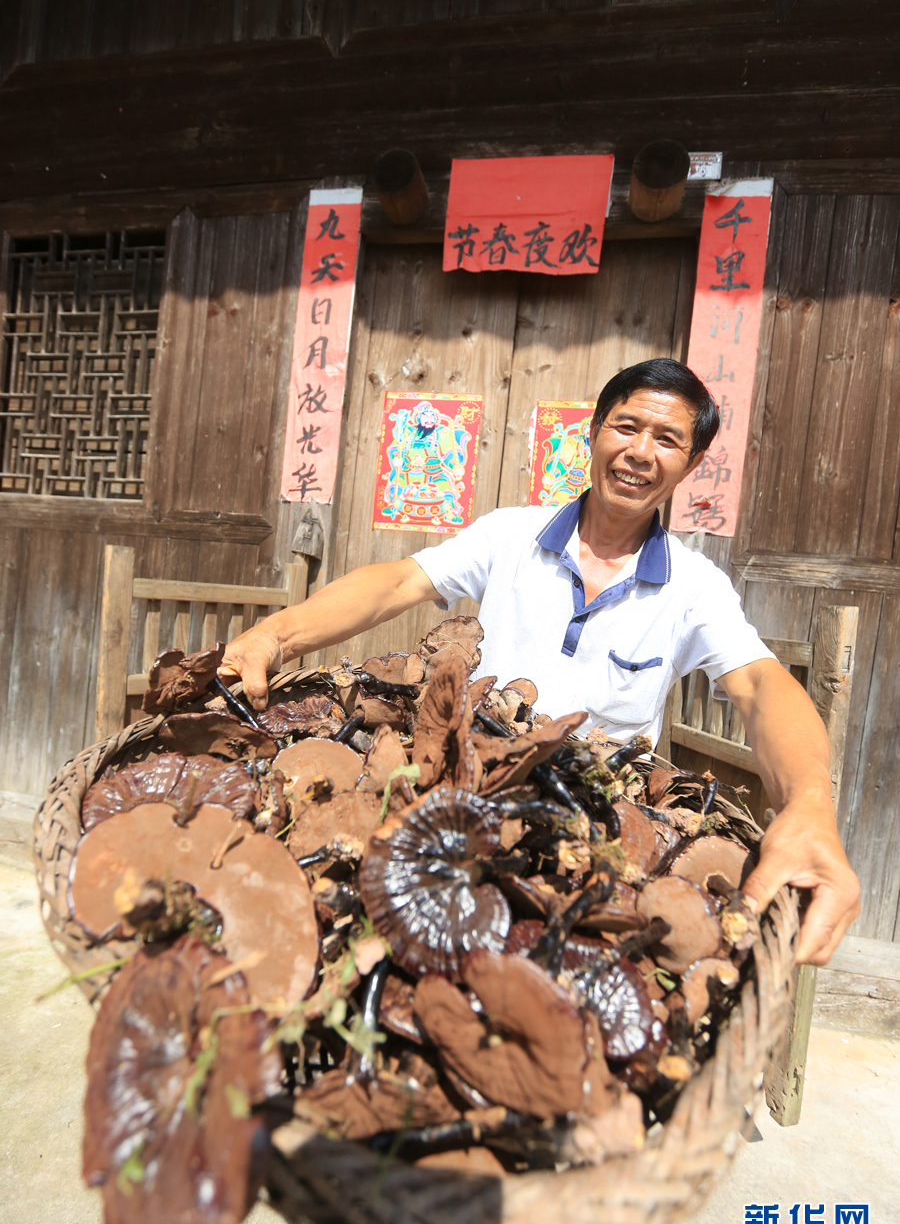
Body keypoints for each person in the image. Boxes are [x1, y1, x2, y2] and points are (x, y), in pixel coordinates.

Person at [220, 358, 859, 967]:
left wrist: (809, 803)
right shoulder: (509, 536)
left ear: (690, 464)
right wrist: (277, 636)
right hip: (469, 793)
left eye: (667, 439)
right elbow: (398, 583)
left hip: (599, 822)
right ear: (594, 432)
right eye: (627, 426)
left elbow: (757, 685)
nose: (640, 452)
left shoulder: (695, 588)